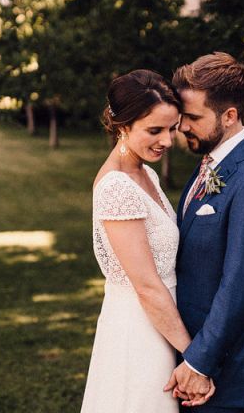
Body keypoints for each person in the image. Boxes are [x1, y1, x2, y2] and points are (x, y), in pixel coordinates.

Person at [81, 69, 216, 413]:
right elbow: (147, 286)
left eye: (171, 128)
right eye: (154, 130)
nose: (168, 141)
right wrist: (194, 356)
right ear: (122, 127)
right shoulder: (116, 188)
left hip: (161, 324)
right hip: (138, 331)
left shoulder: (145, 173)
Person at [165, 53, 244, 412]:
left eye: (193, 117)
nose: (182, 127)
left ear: (230, 116)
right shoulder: (210, 163)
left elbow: (242, 286)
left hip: (228, 371)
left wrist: (198, 362)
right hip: (195, 358)